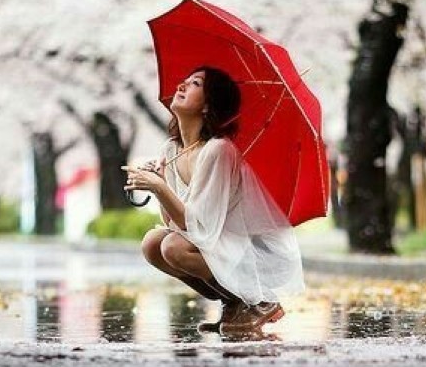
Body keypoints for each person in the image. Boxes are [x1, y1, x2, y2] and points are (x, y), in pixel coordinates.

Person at [123, 66, 304, 333]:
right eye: (183, 81)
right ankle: (234, 303)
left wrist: (160, 188)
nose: (181, 86)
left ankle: (260, 299)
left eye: (195, 83)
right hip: (219, 242)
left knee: (173, 247)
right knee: (153, 244)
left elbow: (199, 227)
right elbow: (174, 222)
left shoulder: (219, 150)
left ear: (209, 105)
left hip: (252, 251)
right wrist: (160, 184)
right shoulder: (170, 149)